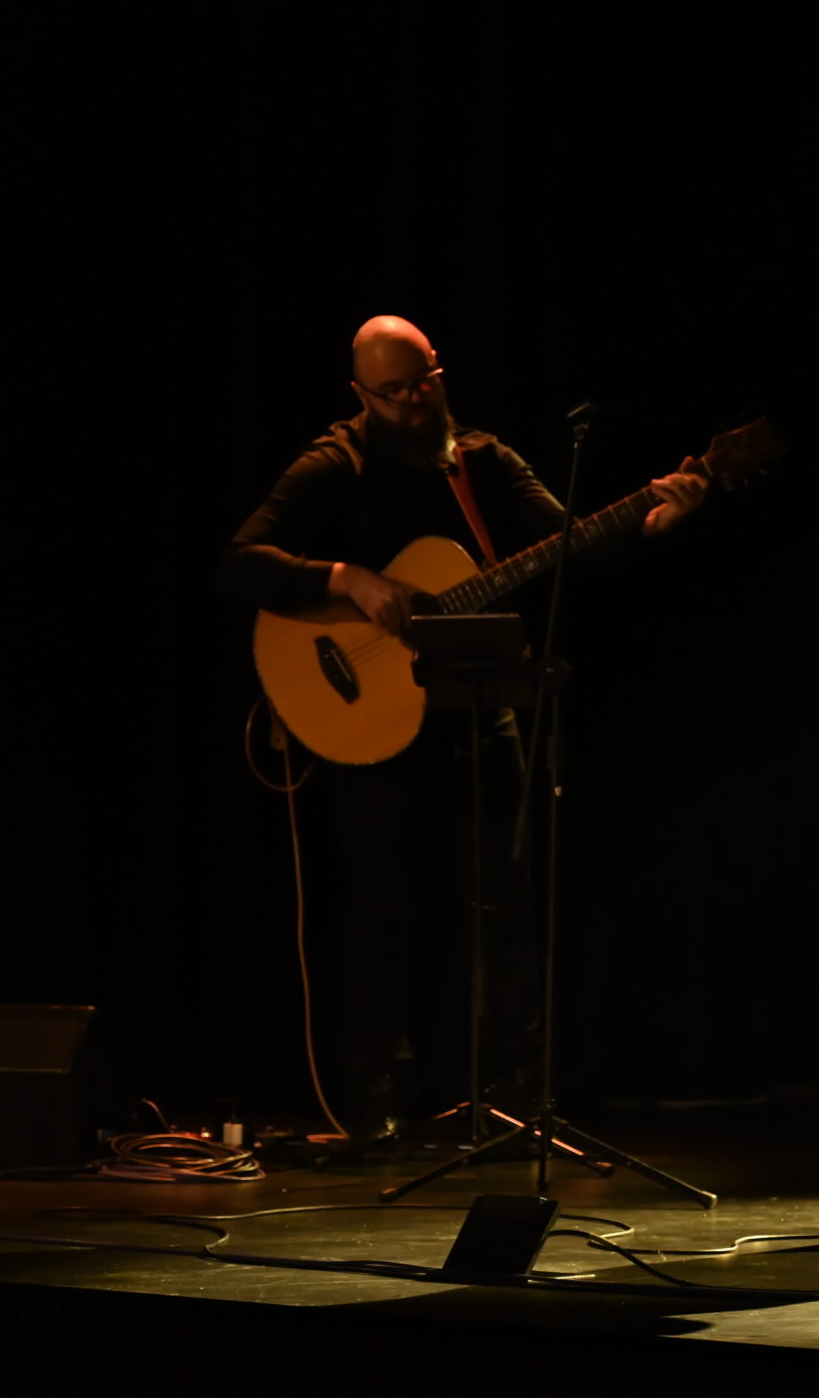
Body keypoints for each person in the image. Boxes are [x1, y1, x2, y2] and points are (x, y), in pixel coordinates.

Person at [220, 315, 706, 1129]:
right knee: (380, 909)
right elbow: (240, 563)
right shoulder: (335, 462)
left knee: (505, 902)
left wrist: (655, 521)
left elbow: (571, 542)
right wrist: (346, 579)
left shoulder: (482, 461)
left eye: (426, 380)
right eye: (395, 391)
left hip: (477, 708)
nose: (415, 400)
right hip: (370, 720)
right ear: (361, 394)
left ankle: (518, 1091)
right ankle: (376, 1092)